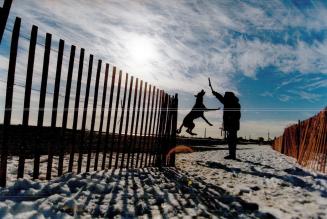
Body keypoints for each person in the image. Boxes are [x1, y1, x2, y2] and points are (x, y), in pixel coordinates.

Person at [209, 79, 241, 159]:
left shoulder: (233, 104)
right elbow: (221, 98)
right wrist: (215, 93)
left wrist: (231, 118)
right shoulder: (230, 102)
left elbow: (237, 115)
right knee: (231, 140)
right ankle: (232, 154)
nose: (225, 98)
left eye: (226, 97)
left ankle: (232, 155)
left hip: (232, 125)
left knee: (232, 140)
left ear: (229, 97)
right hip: (231, 124)